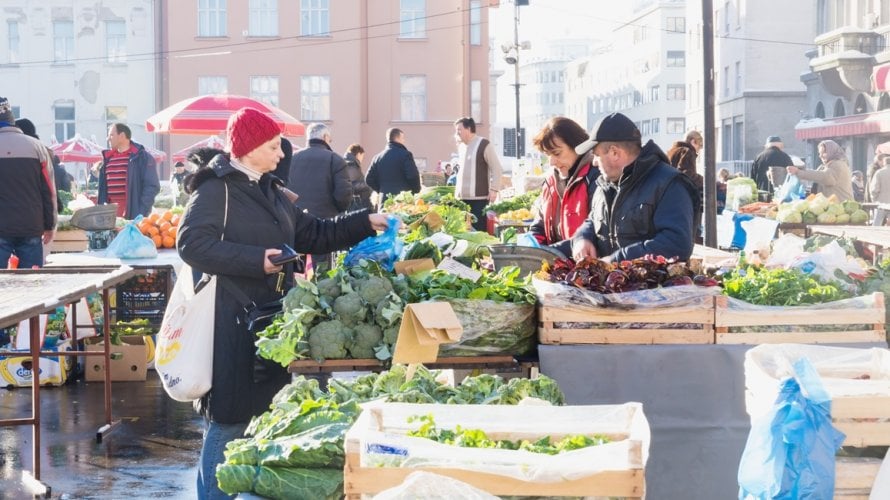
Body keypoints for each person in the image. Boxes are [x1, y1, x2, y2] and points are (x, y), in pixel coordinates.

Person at [176, 107, 390, 499]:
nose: (280, 154)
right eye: (273, 146)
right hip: (231, 320)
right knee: (228, 420)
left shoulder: (269, 190)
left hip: (268, 322)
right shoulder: (216, 189)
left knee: (256, 415)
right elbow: (191, 244)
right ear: (249, 146)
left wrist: (366, 221)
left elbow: (314, 233)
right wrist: (254, 260)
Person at [570, 112, 698, 263]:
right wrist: (582, 238)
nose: (594, 163)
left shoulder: (670, 184)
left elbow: (676, 244)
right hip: (610, 284)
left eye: (597, 155)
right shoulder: (604, 184)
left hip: (652, 285)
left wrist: (616, 260)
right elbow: (593, 220)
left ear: (614, 153)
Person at [528, 117, 600, 257]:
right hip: (557, 266)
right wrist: (530, 247)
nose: (552, 162)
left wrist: (549, 252)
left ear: (577, 146)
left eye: (557, 153)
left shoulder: (595, 178)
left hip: (586, 269)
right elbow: (540, 225)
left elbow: (597, 232)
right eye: (548, 155)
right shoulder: (550, 182)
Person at [287, 123, 353, 271]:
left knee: (297, 273)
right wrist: (338, 212)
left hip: (295, 224)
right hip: (324, 226)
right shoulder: (335, 159)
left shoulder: (292, 158)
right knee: (321, 275)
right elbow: (343, 196)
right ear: (325, 137)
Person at [0, 97, 56, 268]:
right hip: (31, 226)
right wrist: (49, 225)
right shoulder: (37, 147)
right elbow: (49, 191)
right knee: (32, 285)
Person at [98, 123, 160, 219]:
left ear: (122, 136)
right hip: (110, 217)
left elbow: (152, 186)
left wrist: (141, 212)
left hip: (133, 215)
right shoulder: (108, 158)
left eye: (111, 135)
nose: (108, 138)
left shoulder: (142, 157)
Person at [453, 117, 503, 231]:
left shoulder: (484, 144)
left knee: (478, 232)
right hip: (461, 200)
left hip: (478, 200)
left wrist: (494, 189)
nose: (457, 133)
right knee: (463, 232)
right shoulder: (461, 147)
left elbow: (497, 168)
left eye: (459, 129)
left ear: (469, 129)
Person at [365, 127, 421, 206]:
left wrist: (381, 189)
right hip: (402, 201)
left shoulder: (377, 157)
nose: (404, 141)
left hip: (384, 200)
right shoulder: (405, 155)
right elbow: (413, 176)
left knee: (385, 218)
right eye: (403, 138)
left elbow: (368, 179)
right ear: (398, 138)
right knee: (399, 219)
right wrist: (415, 191)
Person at [787, 139, 854, 202]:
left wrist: (799, 172)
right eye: (820, 153)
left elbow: (824, 177)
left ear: (832, 151)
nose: (821, 156)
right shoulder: (825, 166)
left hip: (841, 205)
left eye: (824, 152)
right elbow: (817, 175)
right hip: (830, 205)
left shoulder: (838, 164)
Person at [666, 136, 704, 243]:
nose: (699, 150)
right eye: (699, 146)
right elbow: (686, 174)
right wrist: (704, 180)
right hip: (683, 197)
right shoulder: (688, 151)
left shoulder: (672, 151)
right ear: (693, 141)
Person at [344, 143, 374, 211]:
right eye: (362, 156)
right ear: (358, 154)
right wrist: (367, 185)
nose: (362, 159)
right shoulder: (351, 164)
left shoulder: (349, 163)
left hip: (353, 202)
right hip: (355, 203)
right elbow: (352, 185)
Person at [870, 157, 890, 225]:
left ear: (884, 163)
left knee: (877, 223)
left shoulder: (879, 172)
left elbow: (874, 189)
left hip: (881, 202)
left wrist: (874, 199)